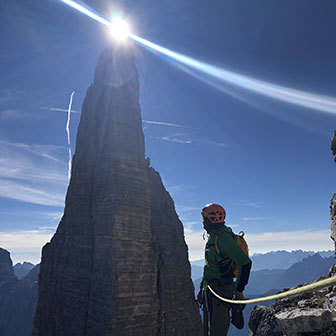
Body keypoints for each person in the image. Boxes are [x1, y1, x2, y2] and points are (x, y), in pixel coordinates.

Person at [197, 203, 252, 336]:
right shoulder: (214, 236)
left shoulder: (222, 238)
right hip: (211, 289)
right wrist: (201, 289)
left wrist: (239, 291)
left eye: (203, 218)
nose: (202, 222)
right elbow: (209, 266)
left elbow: (245, 263)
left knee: (217, 332)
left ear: (209, 219)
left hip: (221, 291)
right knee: (208, 330)